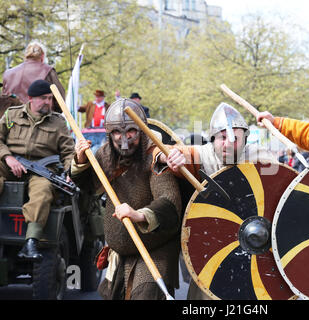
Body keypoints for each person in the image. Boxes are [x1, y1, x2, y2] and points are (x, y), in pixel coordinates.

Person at [152, 102, 276, 300]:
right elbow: (166, 150)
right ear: (213, 140)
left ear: (245, 138)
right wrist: (166, 157)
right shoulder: (204, 155)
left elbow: (279, 199)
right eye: (222, 137)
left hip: (258, 240)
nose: (228, 143)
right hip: (215, 242)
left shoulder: (261, 158)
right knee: (204, 294)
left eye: (235, 137)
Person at [71, 98, 181, 300]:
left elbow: (169, 201)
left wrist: (139, 215)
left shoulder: (156, 155)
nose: (123, 139)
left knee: (145, 294)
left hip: (155, 249)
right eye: (117, 133)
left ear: (141, 130)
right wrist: (80, 161)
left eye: (130, 131)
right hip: (120, 254)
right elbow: (90, 188)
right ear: (109, 133)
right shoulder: (106, 153)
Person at [0, 80, 74, 260]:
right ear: (31, 99)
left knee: (43, 191)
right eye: (43, 98)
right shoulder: (11, 116)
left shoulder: (58, 123)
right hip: (9, 163)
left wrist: (70, 172)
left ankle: (31, 241)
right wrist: (7, 157)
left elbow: (69, 152)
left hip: (40, 170)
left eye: (50, 99)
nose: (48, 102)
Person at [1, 42, 65, 112]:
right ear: (43, 56)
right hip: (39, 119)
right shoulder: (48, 71)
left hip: (11, 119)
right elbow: (60, 101)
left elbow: (3, 101)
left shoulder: (8, 73)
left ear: (26, 56)